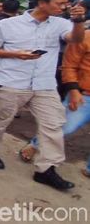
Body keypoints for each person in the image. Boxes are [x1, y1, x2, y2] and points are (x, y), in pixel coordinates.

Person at [0, 0, 85, 190]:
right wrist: (16, 54)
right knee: (1, 119)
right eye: (60, 3)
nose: (64, 7)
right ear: (42, 3)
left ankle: (46, 169)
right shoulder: (8, 24)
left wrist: (79, 22)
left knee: (53, 125)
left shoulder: (62, 23)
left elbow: (76, 39)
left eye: (66, 3)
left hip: (44, 85)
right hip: (12, 82)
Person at [18, 28, 90, 178]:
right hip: (83, 95)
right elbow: (69, 65)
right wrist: (73, 90)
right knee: (64, 126)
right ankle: (35, 144)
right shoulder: (85, 36)